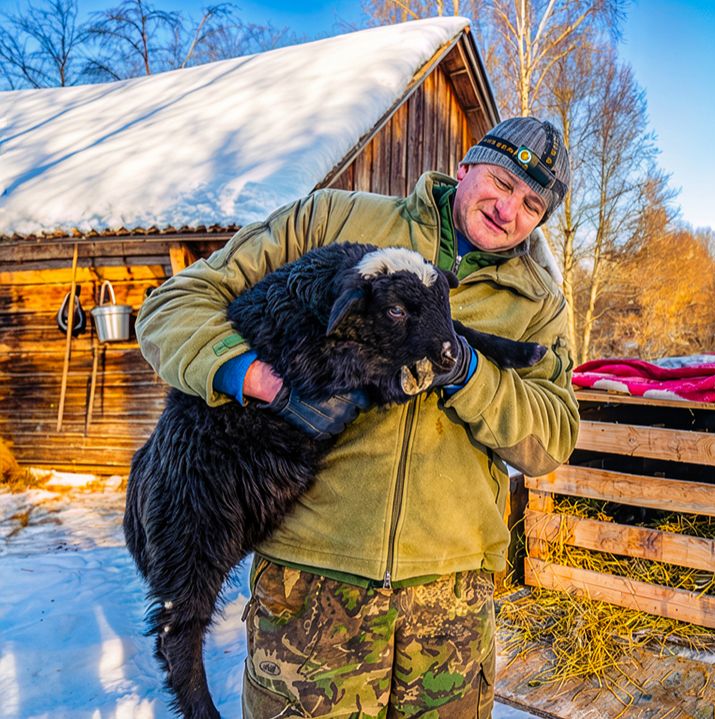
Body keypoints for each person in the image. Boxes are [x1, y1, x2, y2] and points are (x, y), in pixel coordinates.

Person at [135, 117, 580, 718]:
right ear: (466, 166)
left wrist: (471, 375)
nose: (508, 210)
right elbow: (173, 304)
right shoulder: (331, 220)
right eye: (500, 182)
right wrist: (253, 379)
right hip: (310, 590)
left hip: (449, 605)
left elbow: (551, 441)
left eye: (532, 205)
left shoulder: (539, 303)